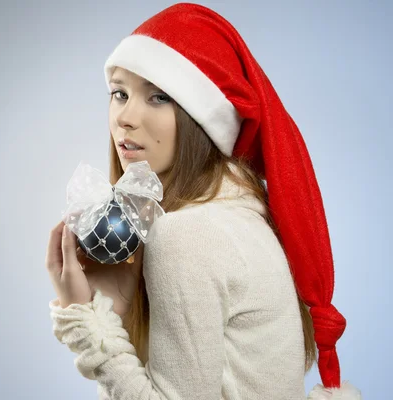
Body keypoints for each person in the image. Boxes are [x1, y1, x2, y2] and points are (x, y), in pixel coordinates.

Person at [45, 3, 361, 399]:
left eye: (158, 97)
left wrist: (86, 319)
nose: (125, 116)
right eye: (119, 93)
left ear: (202, 119)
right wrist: (122, 309)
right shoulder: (235, 211)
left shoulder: (188, 234)